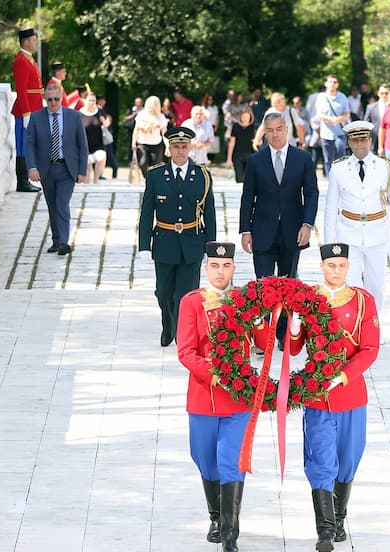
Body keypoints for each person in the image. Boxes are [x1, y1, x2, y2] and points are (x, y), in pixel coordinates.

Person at [291, 243, 380, 551]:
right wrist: (293, 325)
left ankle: (339, 517)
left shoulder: (362, 301)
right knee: (321, 459)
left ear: (348, 267)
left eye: (342, 265)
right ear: (322, 267)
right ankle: (325, 529)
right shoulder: (309, 300)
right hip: (317, 397)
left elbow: (370, 349)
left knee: (348, 457)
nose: (337, 271)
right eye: (331, 266)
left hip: (351, 392)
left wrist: (341, 376)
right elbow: (292, 350)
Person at [176, 242, 257, 552]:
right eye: (214, 266)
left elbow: (262, 341)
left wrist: (262, 319)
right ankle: (215, 515)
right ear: (205, 268)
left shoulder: (245, 301)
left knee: (231, 460)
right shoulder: (192, 302)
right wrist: (216, 375)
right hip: (204, 395)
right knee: (205, 458)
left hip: (239, 400)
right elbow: (186, 351)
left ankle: (229, 531)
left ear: (234, 268)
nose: (220, 271)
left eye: (226, 266)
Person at [239, 112, 318, 343]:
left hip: (293, 232)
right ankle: (264, 338)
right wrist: (245, 230)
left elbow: (311, 193)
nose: (274, 134)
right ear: (265, 132)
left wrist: (307, 224)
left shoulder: (302, 159)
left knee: (288, 284)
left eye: (278, 129)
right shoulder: (256, 161)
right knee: (263, 287)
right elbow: (247, 198)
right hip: (262, 232)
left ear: (286, 129)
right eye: (270, 130)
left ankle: (284, 335)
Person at [138, 127, 216, 347]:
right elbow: (147, 212)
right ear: (169, 148)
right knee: (163, 292)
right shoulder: (155, 175)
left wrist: (211, 249)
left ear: (190, 148)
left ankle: (183, 334)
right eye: (176, 147)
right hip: (164, 241)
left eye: (184, 147)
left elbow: (209, 214)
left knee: (186, 294)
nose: (180, 151)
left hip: (192, 242)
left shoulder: (202, 175)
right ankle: (168, 322)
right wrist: (144, 245)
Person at [324, 121, 390, 322]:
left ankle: (374, 325)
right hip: (348, 233)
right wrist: (329, 243)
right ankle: (355, 325)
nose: (359, 144)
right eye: (355, 140)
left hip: (377, 233)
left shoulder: (386, 167)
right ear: (349, 142)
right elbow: (330, 207)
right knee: (351, 284)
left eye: (363, 140)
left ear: (370, 141)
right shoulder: (339, 168)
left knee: (376, 283)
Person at [25, 83, 89, 256]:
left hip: (67, 169)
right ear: (45, 99)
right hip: (46, 169)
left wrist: (82, 170)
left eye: (56, 99)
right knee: (52, 206)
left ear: (61, 98)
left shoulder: (73, 116)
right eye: (50, 99)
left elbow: (82, 145)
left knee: (62, 204)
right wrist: (32, 167)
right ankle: (56, 241)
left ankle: (63, 242)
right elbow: (29, 144)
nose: (53, 103)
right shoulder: (37, 117)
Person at [10, 28, 42, 193]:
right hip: (25, 112)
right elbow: (21, 90)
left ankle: (27, 180)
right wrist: (26, 113)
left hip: (33, 110)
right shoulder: (21, 61)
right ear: (27, 41)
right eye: (34, 40)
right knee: (22, 146)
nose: (36, 43)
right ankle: (22, 181)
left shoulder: (29, 59)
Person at [316, 74, 351, 176]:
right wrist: (329, 119)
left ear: (337, 85)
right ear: (326, 84)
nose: (332, 84)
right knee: (328, 159)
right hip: (326, 134)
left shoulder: (342, 97)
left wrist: (338, 119)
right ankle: (330, 180)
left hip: (340, 133)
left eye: (334, 82)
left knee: (341, 157)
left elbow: (347, 113)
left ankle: (341, 180)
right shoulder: (321, 97)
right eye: (330, 82)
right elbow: (319, 114)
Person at [131, 96, 170, 178]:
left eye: (151, 106)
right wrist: (133, 143)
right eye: (148, 105)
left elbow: (164, 133)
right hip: (142, 143)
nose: (149, 107)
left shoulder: (161, 117)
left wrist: (167, 146)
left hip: (156, 144)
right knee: (143, 163)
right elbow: (136, 130)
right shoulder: (141, 115)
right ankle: (148, 179)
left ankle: (153, 182)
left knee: (155, 166)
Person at [79, 92, 109, 183]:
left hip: (98, 144)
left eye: (93, 101)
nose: (91, 102)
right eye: (89, 100)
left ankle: (96, 179)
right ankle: (87, 188)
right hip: (84, 146)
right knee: (87, 175)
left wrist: (104, 121)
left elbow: (106, 123)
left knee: (102, 158)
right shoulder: (79, 113)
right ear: (85, 101)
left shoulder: (99, 111)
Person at [225, 109, 256, 184]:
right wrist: (229, 159)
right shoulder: (235, 127)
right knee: (239, 179)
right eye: (243, 116)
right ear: (240, 117)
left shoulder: (254, 127)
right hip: (237, 156)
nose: (245, 118)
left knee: (249, 179)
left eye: (247, 116)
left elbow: (256, 142)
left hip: (250, 155)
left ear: (250, 117)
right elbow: (232, 143)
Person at [363, 84, 390, 155]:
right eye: (382, 93)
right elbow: (366, 124)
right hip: (374, 139)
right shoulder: (371, 107)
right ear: (378, 93)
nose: (384, 95)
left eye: (386, 93)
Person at [97, 95, 119, 179]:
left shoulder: (100, 110)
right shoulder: (99, 110)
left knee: (105, 156)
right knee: (108, 156)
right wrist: (108, 120)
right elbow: (106, 123)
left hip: (103, 136)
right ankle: (104, 175)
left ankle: (100, 175)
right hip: (103, 137)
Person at [123, 96, 144, 163]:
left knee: (140, 145)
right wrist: (133, 115)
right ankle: (131, 160)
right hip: (131, 130)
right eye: (137, 102)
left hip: (141, 131)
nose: (138, 104)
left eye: (139, 102)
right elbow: (125, 118)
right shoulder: (132, 109)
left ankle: (140, 159)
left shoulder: (144, 111)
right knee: (131, 145)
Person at [201, 93, 221, 162]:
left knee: (213, 141)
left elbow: (217, 117)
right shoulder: (203, 108)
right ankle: (206, 158)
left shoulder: (215, 107)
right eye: (209, 99)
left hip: (214, 126)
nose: (210, 101)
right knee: (206, 141)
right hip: (206, 127)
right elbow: (203, 119)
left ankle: (212, 158)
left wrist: (216, 127)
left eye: (211, 100)